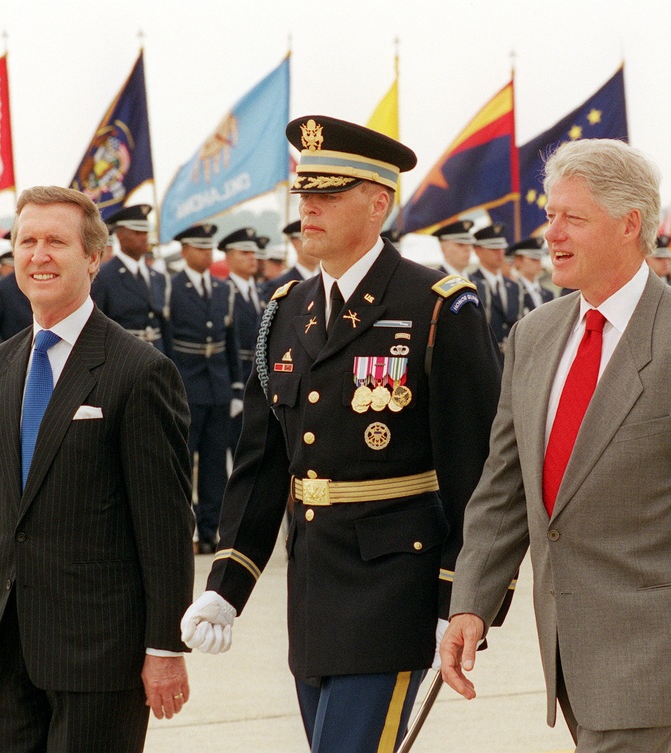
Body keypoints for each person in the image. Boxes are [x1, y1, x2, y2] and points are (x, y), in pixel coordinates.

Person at [440, 139, 671, 753]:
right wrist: (470, 602)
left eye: (573, 218)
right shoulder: (534, 336)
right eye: (550, 215)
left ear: (630, 225)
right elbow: (503, 490)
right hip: (567, 649)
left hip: (655, 651)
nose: (552, 233)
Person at [180, 115, 503, 753]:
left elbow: (481, 471)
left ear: (377, 203)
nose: (309, 211)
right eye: (305, 196)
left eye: (328, 196)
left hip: (397, 586)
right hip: (314, 589)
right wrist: (227, 584)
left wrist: (462, 598)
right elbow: (261, 464)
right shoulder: (286, 310)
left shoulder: (437, 305)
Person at [0, 186, 195, 753]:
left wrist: (165, 649)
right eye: (28, 241)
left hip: (100, 655)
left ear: (93, 257)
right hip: (4, 649)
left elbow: (166, 527)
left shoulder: (140, 372)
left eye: (56, 242)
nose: (39, 255)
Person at [169, 222, 242, 555]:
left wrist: (236, 387)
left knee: (215, 465)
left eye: (209, 248)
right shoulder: (172, 286)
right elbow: (167, 339)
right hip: (185, 380)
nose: (206, 254)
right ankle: (183, 528)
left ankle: (211, 530)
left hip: (217, 384)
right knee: (183, 460)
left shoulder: (223, 289)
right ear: (184, 250)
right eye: (199, 247)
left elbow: (231, 341)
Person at [91, 204, 171, 355]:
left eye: (145, 232)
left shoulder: (158, 277)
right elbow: (97, 325)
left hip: (157, 356)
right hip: (122, 356)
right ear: (120, 235)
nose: (144, 237)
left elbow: (165, 327)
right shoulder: (104, 276)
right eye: (137, 232)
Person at [222, 227, 263, 452]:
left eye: (253, 253)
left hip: (258, 373)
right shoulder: (224, 292)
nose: (252, 258)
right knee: (235, 445)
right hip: (237, 374)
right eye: (244, 253)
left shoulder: (262, 291)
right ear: (228, 257)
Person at [470, 222, 522, 355]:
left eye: (501, 248)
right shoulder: (472, 283)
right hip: (486, 355)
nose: (500, 253)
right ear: (478, 251)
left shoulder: (514, 287)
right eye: (493, 249)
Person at [260, 219, 321, 302]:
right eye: (311, 240)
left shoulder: (331, 279)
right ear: (295, 243)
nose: (318, 245)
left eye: (320, 239)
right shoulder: (278, 286)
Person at [511, 237, 555, 314]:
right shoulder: (512, 291)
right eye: (533, 259)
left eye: (539, 259)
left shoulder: (548, 294)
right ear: (518, 260)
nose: (538, 263)